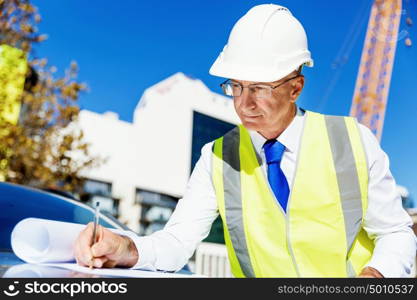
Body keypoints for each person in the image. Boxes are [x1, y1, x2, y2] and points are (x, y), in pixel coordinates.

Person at [74, 4, 416, 277]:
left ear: (295, 87)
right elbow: (176, 242)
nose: (243, 103)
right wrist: (127, 249)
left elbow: (396, 234)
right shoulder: (217, 157)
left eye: (259, 88)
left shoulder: (352, 141)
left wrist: (374, 278)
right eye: (235, 86)